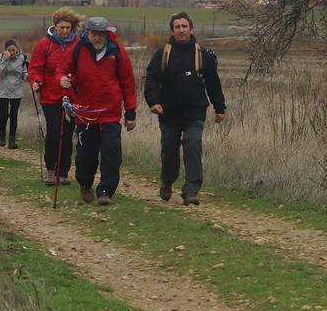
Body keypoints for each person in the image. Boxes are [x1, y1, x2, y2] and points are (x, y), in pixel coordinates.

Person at [144, 12, 227, 205]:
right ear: (172, 30)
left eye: (184, 26)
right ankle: (167, 181)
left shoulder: (203, 55)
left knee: (192, 145)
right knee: (169, 150)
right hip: (168, 113)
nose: (181, 30)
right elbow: (152, 79)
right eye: (177, 27)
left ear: (191, 28)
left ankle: (191, 190)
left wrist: (219, 108)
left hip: (194, 112)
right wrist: (153, 102)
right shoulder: (163, 54)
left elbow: (213, 83)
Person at [57, 16, 137, 206]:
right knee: (86, 155)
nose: (97, 38)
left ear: (107, 34)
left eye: (101, 34)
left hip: (110, 113)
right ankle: (85, 184)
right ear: (87, 33)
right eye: (93, 34)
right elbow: (62, 69)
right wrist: (61, 79)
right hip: (85, 113)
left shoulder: (117, 51)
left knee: (111, 153)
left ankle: (105, 191)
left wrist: (130, 112)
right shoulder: (78, 49)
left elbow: (128, 82)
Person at [28, 8, 83, 185]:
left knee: (67, 134)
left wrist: (73, 80)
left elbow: (83, 69)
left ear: (73, 27)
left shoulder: (79, 44)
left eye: (68, 27)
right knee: (53, 131)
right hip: (50, 95)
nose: (65, 31)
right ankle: (51, 169)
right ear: (55, 25)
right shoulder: (45, 44)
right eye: (61, 27)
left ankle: (63, 171)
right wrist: (36, 81)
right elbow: (35, 67)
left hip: (71, 97)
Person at [0, 38, 27, 149]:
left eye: (14, 50)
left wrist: (29, 76)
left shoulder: (22, 58)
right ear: (6, 50)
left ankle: (12, 140)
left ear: (17, 49)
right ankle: (2, 134)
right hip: (2, 90)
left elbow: (24, 74)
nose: (12, 52)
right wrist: (5, 59)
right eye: (10, 50)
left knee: (14, 116)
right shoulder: (1, 57)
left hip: (16, 91)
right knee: (4, 115)